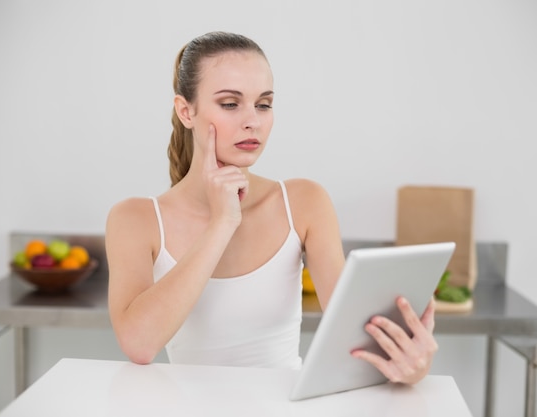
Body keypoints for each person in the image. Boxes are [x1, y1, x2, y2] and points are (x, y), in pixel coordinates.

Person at [106, 31, 437, 384]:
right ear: (186, 111)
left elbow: (361, 339)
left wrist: (413, 366)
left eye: (263, 104)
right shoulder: (136, 219)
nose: (253, 120)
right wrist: (222, 223)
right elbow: (139, 344)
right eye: (230, 104)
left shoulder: (304, 202)